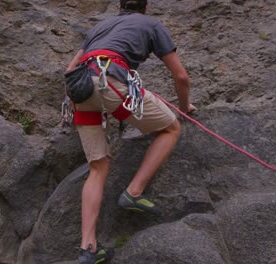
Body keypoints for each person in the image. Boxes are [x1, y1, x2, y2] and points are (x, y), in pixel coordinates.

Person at [65, 1, 196, 263]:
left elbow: (70, 70)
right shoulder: (151, 24)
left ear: (122, 5)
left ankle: (88, 248)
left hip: (80, 91)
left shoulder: (100, 27)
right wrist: (184, 107)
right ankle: (134, 192)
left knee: (98, 167)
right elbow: (181, 77)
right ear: (145, 7)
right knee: (170, 128)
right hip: (109, 82)